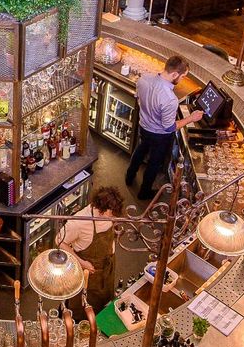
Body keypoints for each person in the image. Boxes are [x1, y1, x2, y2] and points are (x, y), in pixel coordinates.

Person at [125, 54, 203, 201]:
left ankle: (129, 177)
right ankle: (144, 192)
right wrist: (191, 118)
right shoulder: (169, 99)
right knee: (154, 163)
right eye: (182, 76)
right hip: (159, 135)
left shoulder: (144, 79)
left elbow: (139, 100)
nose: (182, 80)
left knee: (140, 150)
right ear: (174, 74)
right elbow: (169, 127)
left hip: (143, 126)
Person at [59, 187, 123, 317]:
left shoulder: (109, 216)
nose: (113, 217)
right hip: (88, 275)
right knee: (82, 310)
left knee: (102, 305)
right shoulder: (79, 222)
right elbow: (60, 241)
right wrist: (82, 263)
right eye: (111, 214)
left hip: (106, 269)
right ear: (100, 210)